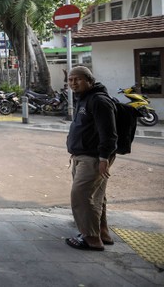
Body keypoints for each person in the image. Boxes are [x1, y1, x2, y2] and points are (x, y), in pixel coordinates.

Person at [64, 66, 117, 252]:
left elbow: (109, 133)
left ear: (89, 80)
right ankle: (102, 231)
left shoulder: (99, 101)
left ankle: (91, 238)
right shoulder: (83, 99)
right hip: (81, 156)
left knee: (81, 195)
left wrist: (104, 158)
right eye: (70, 80)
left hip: (93, 158)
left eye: (77, 79)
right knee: (96, 197)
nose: (73, 83)